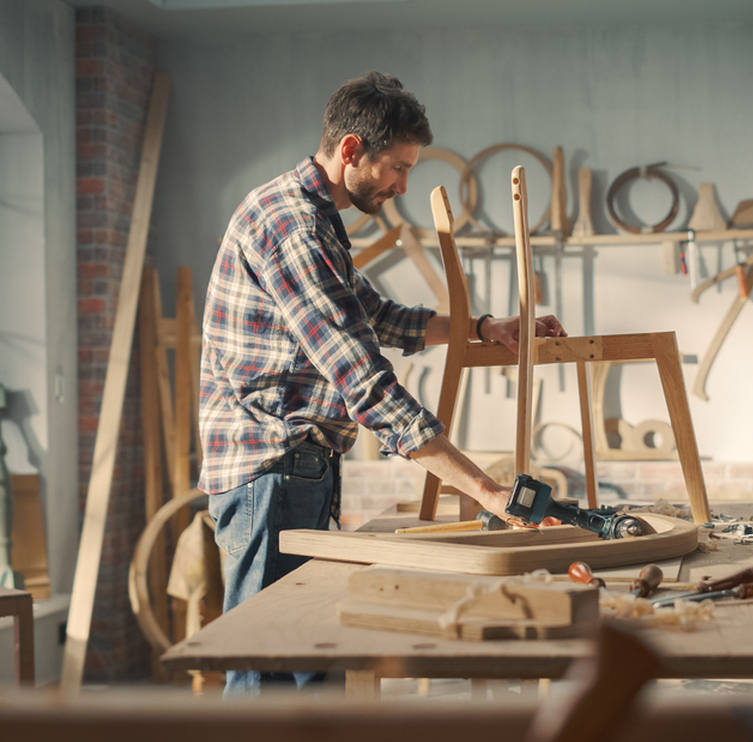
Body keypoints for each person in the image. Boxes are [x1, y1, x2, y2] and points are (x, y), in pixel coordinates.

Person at [198, 72, 565, 693]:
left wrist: (483, 326)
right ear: (349, 151)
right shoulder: (294, 226)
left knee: (311, 660)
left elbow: (381, 316)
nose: (402, 185)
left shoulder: (312, 214)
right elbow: (365, 384)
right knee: (268, 666)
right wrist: (487, 490)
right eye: (396, 168)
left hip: (296, 468)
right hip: (272, 469)